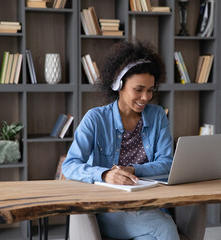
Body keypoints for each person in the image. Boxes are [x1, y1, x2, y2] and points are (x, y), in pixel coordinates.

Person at [62, 41, 180, 240]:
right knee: (164, 229)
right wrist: (105, 174)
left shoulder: (158, 115)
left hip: (149, 206)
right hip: (109, 209)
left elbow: (167, 163)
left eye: (151, 90)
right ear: (119, 85)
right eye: (139, 89)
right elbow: (70, 166)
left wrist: (133, 170)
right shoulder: (95, 118)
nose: (146, 97)